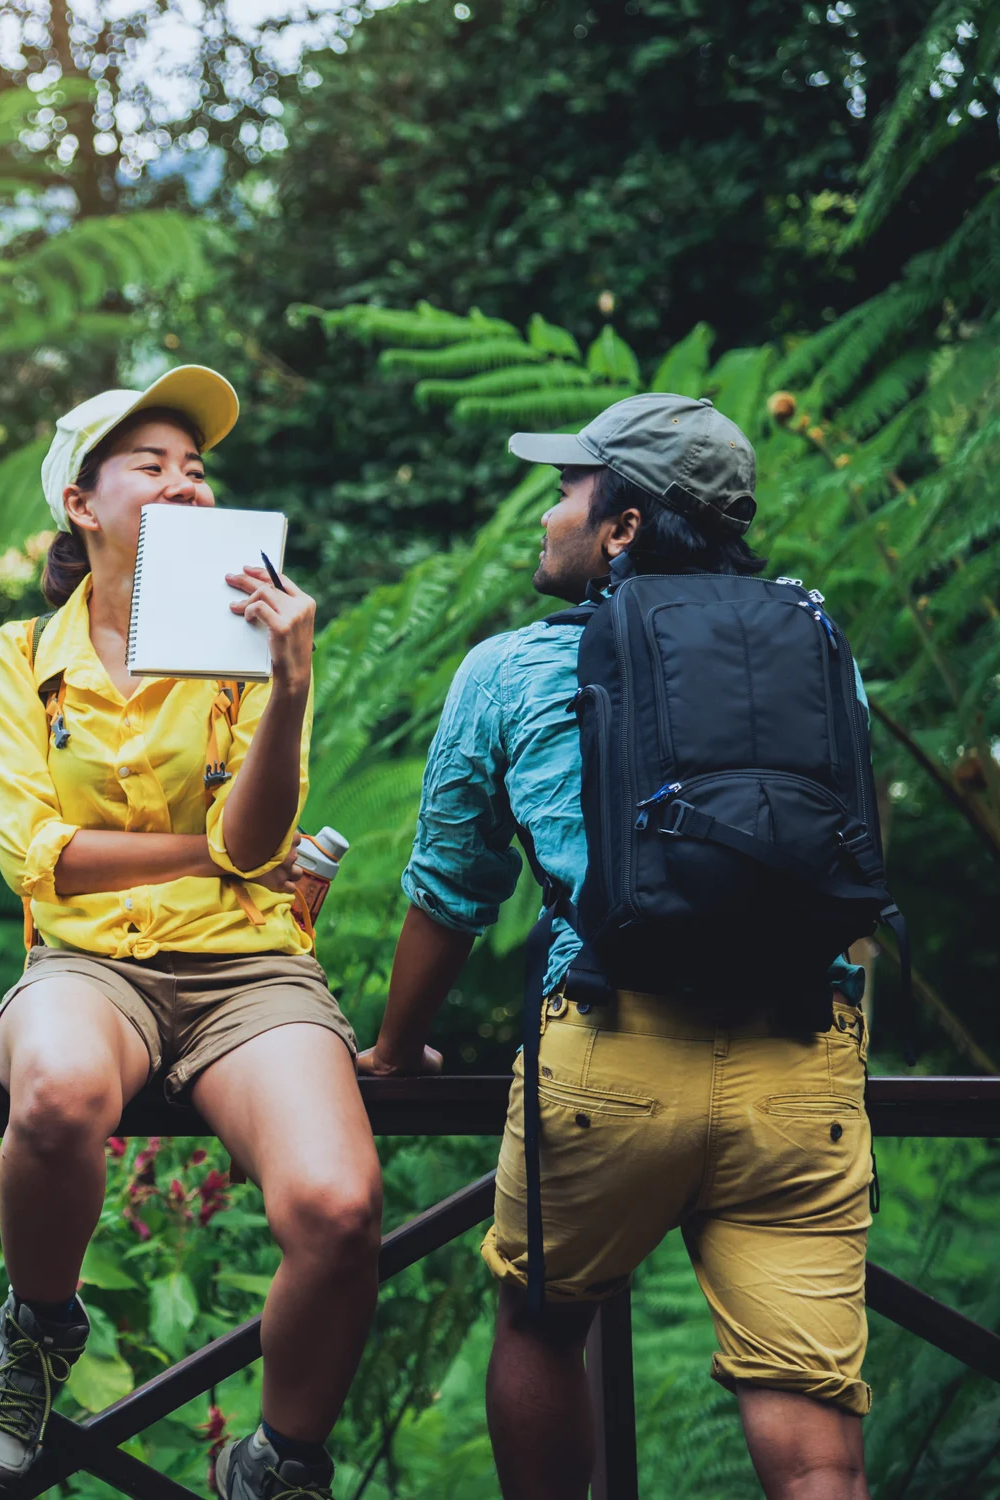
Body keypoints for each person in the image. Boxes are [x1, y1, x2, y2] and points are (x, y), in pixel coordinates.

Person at [357, 393, 875, 1500]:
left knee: (544, 1324)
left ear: (624, 526)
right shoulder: (823, 650)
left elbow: (450, 892)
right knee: (812, 1423)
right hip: (803, 1062)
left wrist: (397, 1055)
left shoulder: (510, 672)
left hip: (610, 1053)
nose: (548, 516)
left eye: (566, 492)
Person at [0, 366, 378, 1500]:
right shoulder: (18, 660)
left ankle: (281, 1456)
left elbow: (260, 832)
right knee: (53, 1093)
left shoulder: (252, 648)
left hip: (249, 971)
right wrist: (212, 855)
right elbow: (37, 858)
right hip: (86, 965)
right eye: (153, 464)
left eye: (198, 467)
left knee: (338, 1208)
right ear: (83, 504)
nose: (188, 484)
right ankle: (37, 1333)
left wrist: (287, 684)